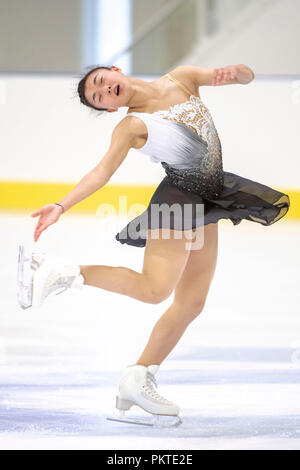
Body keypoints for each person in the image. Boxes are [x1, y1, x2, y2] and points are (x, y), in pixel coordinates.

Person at [17, 64, 290, 426]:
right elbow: (101, 172)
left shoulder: (183, 77)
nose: (104, 92)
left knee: (192, 302)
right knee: (154, 289)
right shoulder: (130, 126)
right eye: (97, 99)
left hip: (210, 197)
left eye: (101, 82)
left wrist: (238, 74)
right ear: (109, 110)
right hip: (179, 200)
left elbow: (238, 76)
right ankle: (59, 270)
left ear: (115, 71)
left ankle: (138, 377)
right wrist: (61, 205)